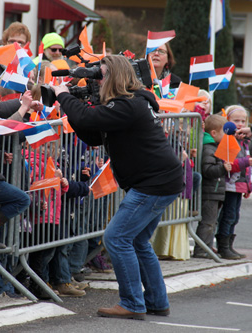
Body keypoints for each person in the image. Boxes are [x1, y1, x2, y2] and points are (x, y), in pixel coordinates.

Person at [53, 55, 184, 320]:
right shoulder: (130, 104)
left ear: (114, 77)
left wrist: (62, 94)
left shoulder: (128, 105)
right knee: (136, 240)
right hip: (160, 180)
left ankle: (133, 304)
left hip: (153, 183)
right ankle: (156, 301)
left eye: (100, 75)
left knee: (116, 238)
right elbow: (92, 133)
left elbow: (89, 120)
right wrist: (75, 105)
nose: (97, 81)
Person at [216, 106, 252, 259]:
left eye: (243, 121)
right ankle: (223, 247)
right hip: (230, 185)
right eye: (235, 120)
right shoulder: (227, 141)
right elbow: (229, 164)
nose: (240, 124)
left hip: (239, 185)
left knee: (235, 216)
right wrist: (246, 163)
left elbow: (244, 165)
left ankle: (229, 245)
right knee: (228, 215)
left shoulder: (244, 141)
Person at [192, 115, 232, 258]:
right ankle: (201, 250)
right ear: (214, 133)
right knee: (208, 223)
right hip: (210, 191)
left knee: (211, 222)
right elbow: (207, 171)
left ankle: (207, 248)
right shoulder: (209, 148)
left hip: (214, 191)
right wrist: (222, 168)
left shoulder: (214, 147)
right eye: (224, 133)